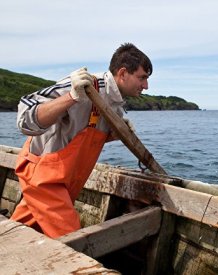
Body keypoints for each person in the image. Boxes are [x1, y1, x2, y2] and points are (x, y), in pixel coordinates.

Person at [10, 43, 152, 238]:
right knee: (73, 242)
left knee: (18, 233)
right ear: (123, 73)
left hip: (65, 183)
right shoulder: (85, 85)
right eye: (142, 77)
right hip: (42, 178)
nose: (146, 86)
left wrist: (115, 133)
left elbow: (82, 138)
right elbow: (25, 119)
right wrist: (71, 96)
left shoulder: (115, 108)